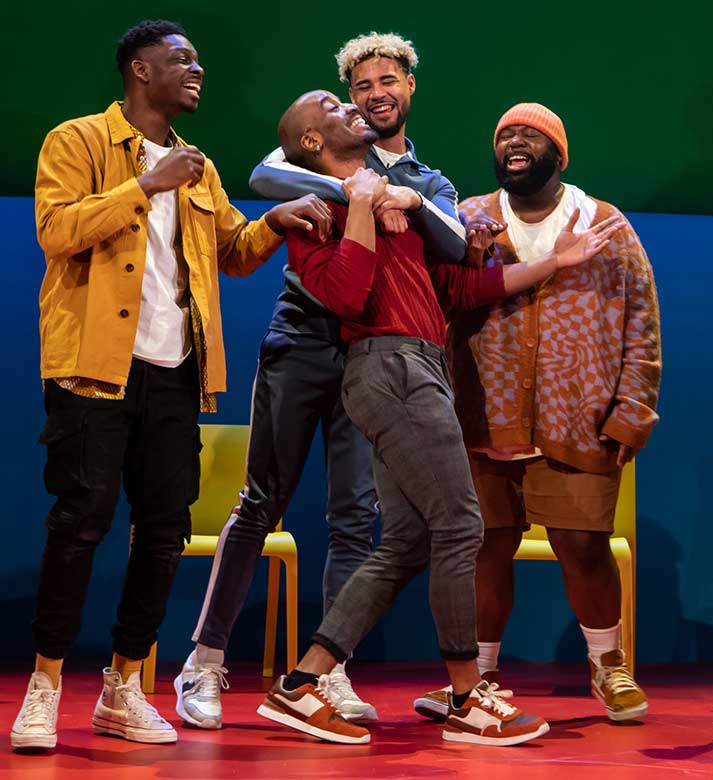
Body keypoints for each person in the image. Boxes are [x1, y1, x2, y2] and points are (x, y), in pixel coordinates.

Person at [254, 90, 623, 746]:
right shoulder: (314, 213)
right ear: (312, 142)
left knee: (408, 541)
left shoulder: (393, 198)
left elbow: (455, 288)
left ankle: (302, 683)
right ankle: (465, 694)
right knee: (460, 524)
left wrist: (552, 264)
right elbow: (343, 294)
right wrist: (362, 207)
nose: (350, 106)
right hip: (388, 369)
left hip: (418, 368)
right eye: (332, 104)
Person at [11, 20, 327, 751]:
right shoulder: (78, 141)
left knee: (161, 535)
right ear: (139, 70)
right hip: (93, 367)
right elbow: (55, 232)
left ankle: (123, 688)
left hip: (177, 371)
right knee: (80, 526)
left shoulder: (199, 166)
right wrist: (144, 185)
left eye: (197, 60)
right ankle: (46, 686)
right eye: (182, 59)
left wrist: (275, 221)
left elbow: (234, 254)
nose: (198, 70)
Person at [175, 31, 465, 731]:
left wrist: (399, 195)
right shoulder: (310, 157)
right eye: (356, 89)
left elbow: (454, 242)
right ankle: (204, 663)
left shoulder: (428, 181)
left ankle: (327, 674)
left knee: (352, 517)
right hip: (304, 342)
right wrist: (354, 189)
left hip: (375, 357)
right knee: (260, 499)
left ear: (409, 87)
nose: (371, 97)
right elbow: (266, 176)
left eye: (384, 83)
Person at [408, 103, 661, 724]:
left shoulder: (604, 223)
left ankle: (608, 665)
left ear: (558, 153)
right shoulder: (467, 218)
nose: (514, 143)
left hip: (577, 414)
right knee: (484, 547)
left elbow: (641, 319)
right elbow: (435, 301)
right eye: (504, 135)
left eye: (529, 135)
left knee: (583, 543)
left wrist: (632, 410)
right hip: (479, 415)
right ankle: (479, 678)